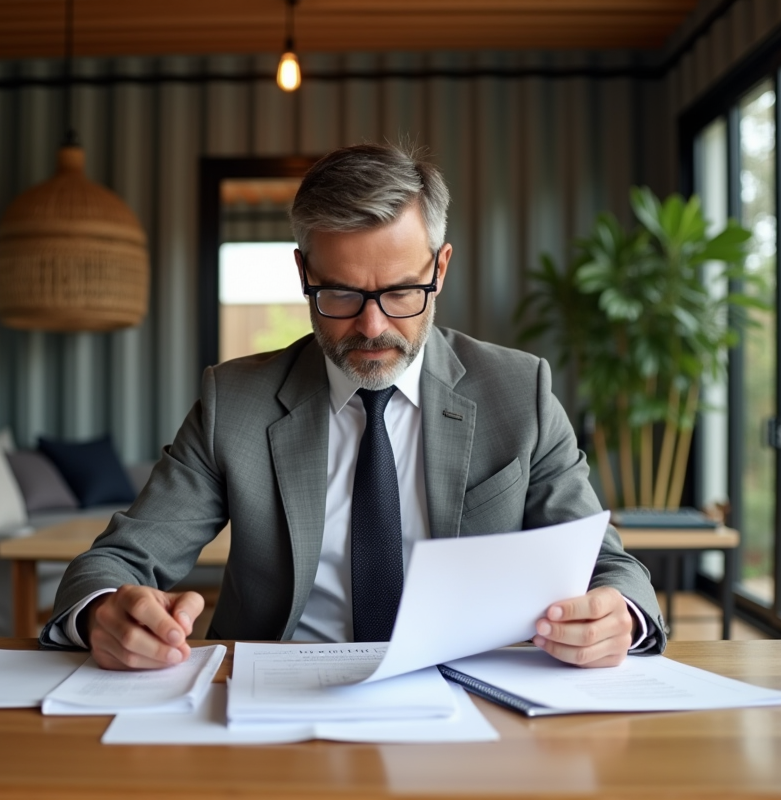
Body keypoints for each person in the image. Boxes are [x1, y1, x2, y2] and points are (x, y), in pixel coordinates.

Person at [40, 142, 667, 669]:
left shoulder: (518, 390)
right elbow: (117, 560)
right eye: (339, 293)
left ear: (440, 268)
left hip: (472, 694)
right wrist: (103, 613)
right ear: (303, 273)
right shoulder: (234, 401)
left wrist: (618, 615)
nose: (371, 327)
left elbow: (609, 565)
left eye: (401, 291)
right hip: (278, 697)